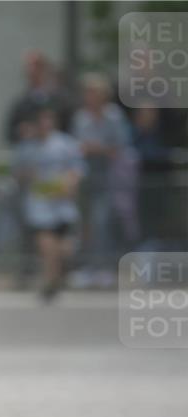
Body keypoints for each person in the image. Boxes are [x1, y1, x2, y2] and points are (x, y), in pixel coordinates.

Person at [13, 104, 85, 302]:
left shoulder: (66, 144)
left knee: (64, 248)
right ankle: (50, 282)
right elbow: (18, 173)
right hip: (40, 204)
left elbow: (76, 170)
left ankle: (58, 277)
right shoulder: (27, 147)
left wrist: (69, 184)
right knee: (46, 244)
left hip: (62, 203)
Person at [71, 73, 131, 288]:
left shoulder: (114, 117)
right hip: (86, 176)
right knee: (84, 225)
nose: (90, 97)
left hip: (109, 177)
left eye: (94, 92)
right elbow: (77, 148)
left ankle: (105, 267)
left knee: (102, 222)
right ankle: (87, 267)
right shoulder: (81, 118)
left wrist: (96, 148)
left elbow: (120, 148)